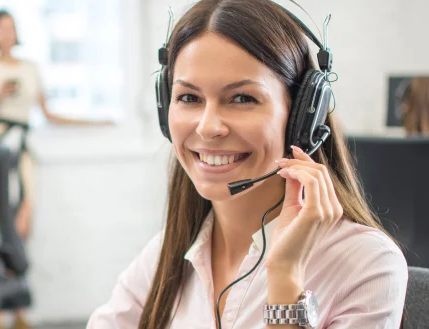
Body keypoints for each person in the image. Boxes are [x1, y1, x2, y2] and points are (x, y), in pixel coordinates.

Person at [87, 1, 407, 328]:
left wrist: (285, 278)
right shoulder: (169, 251)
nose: (208, 127)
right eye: (189, 98)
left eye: (242, 98)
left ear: (302, 117)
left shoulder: (368, 265)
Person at [0, 10, 110, 329]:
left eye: (10, 27)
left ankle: (17, 307)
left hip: (21, 149)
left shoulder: (31, 68)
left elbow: (49, 114)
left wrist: (97, 122)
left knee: (23, 223)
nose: (5, 33)